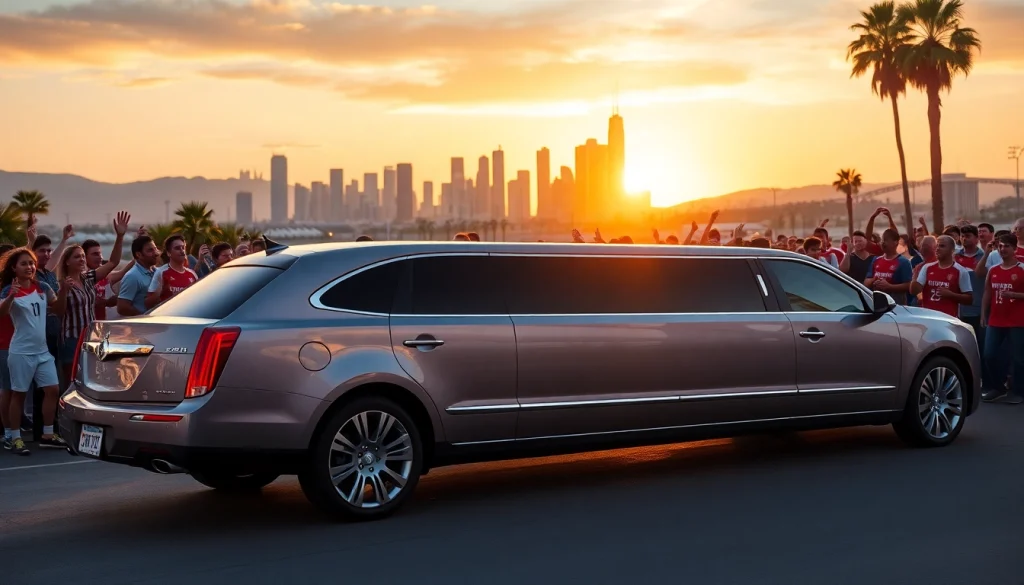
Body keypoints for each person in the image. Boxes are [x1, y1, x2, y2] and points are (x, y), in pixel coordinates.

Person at [0, 248, 69, 454]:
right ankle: (15, 438)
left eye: (31, 263)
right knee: (18, 395)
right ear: (14, 268)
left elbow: (59, 310)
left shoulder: (43, 286)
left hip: (42, 352)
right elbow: (2, 313)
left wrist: (64, 290)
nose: (29, 267)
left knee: (53, 390)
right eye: (24, 264)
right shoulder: (8, 290)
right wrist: (11, 296)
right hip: (21, 351)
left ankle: (47, 434)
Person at [55, 212, 130, 383]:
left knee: (92, 379)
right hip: (71, 338)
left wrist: (120, 236)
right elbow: (59, 311)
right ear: (67, 261)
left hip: (91, 335)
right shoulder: (61, 284)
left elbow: (113, 262)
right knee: (72, 380)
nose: (82, 259)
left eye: (83, 256)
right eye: (77, 257)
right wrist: (64, 292)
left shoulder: (87, 278)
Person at [980, 233, 1024, 405]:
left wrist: (1015, 295)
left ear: (1014, 249)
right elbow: (987, 292)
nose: (1002, 249)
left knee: (1018, 358)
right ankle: (998, 387)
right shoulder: (993, 270)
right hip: (996, 320)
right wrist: (984, 313)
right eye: (1000, 246)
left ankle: (1018, 391)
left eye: (1006, 246)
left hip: (1017, 320)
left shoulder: (1021, 268)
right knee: (989, 355)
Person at [910, 236, 972, 318]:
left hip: (949, 319)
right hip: (928, 317)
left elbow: (969, 299)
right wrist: (915, 275)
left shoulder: (960, 271)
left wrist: (951, 295)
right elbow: (913, 291)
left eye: (942, 246)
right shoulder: (927, 268)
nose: (938, 249)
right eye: (937, 246)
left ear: (952, 250)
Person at [955, 225, 988, 345]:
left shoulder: (985, 256)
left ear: (976, 239)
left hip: (978, 310)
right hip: (959, 311)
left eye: (968, 236)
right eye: (962, 236)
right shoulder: (955, 256)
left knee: (980, 345)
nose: (964, 239)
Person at [146, 234, 198, 309]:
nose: (182, 251)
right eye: (177, 248)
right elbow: (148, 304)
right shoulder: (161, 273)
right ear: (168, 253)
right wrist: (159, 292)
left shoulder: (192, 274)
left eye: (183, 248)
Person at [865, 229, 913, 305]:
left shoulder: (904, 262)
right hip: (877, 305)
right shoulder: (876, 260)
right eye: (882, 240)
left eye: (886, 240)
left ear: (895, 243)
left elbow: (909, 285)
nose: (883, 243)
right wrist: (873, 281)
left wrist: (889, 287)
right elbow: (866, 282)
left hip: (896, 306)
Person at [116, 235, 159, 317]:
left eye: (155, 249)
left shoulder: (157, 272)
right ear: (139, 254)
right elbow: (122, 308)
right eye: (150, 250)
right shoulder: (132, 276)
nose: (156, 253)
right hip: (144, 327)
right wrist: (144, 318)